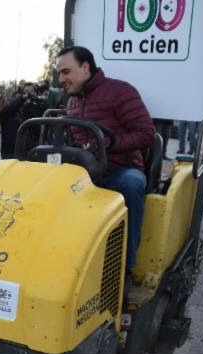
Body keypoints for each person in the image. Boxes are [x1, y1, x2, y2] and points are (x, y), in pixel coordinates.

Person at [56, 45, 156, 270]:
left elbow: (146, 134)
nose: (61, 78)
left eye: (66, 72)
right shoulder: (72, 102)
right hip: (88, 173)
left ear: (85, 67)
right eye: (59, 73)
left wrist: (106, 146)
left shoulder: (120, 92)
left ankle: (124, 268)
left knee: (130, 185)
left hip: (120, 169)